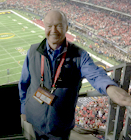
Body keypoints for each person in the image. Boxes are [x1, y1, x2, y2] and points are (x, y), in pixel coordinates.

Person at [18, 9, 131, 139]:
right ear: (44, 26)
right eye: (49, 26)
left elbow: (95, 75)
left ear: (66, 27)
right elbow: (24, 84)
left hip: (60, 127)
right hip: (33, 119)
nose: (53, 30)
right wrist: (23, 109)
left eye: (58, 25)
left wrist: (110, 88)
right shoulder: (33, 51)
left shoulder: (80, 55)